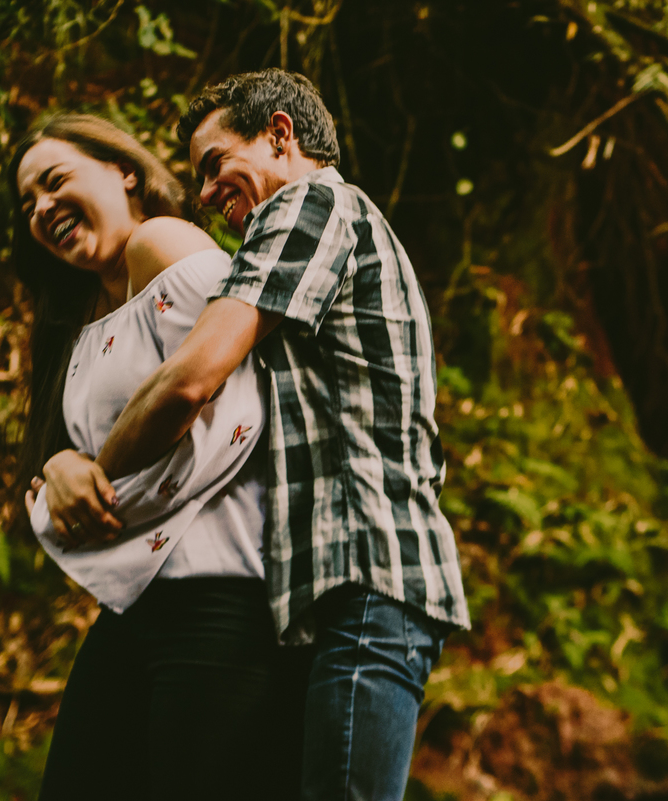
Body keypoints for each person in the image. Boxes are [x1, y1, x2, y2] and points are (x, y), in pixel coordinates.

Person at [43, 71, 471, 800]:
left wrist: (94, 475)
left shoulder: (313, 205)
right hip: (327, 591)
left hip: (369, 576)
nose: (206, 194)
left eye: (215, 164)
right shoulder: (314, 245)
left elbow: (191, 378)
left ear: (280, 133)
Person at [9, 114, 306, 801]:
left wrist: (83, 482)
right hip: (137, 606)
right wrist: (60, 467)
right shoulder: (83, 315)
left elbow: (208, 403)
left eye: (55, 181)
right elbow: (88, 462)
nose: (42, 208)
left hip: (223, 599)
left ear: (124, 172)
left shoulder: (161, 242)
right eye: (27, 205)